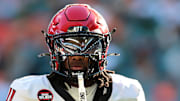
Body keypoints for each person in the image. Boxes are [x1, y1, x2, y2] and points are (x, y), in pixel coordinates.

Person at [6, 4, 145, 101]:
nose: (77, 56)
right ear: (53, 47)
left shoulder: (128, 91)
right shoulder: (27, 91)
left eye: (88, 46)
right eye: (69, 46)